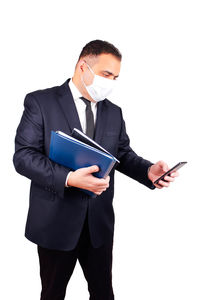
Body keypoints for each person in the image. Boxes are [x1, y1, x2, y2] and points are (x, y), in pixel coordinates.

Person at [13, 40, 179, 300]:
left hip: (98, 225)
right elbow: (23, 156)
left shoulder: (114, 112)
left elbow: (121, 154)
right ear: (83, 66)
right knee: (52, 294)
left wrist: (148, 171)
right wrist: (69, 178)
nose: (111, 82)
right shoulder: (41, 102)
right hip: (55, 223)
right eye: (106, 74)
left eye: (115, 77)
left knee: (103, 293)